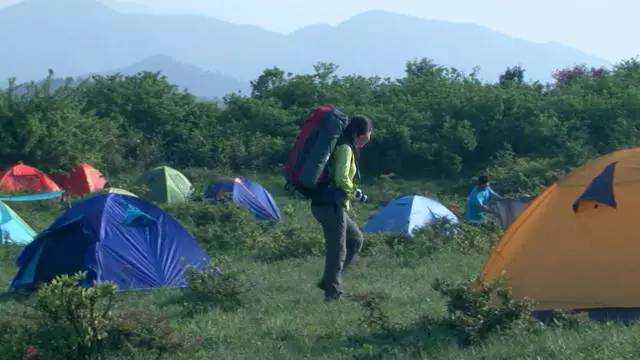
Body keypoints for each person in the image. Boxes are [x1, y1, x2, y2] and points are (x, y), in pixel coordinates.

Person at [311, 115, 373, 302]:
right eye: (370, 133)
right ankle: (333, 294)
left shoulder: (343, 145)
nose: (370, 138)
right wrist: (356, 193)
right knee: (338, 250)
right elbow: (341, 179)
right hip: (330, 205)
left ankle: (328, 281)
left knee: (355, 239)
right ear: (362, 134)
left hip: (327, 204)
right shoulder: (345, 148)